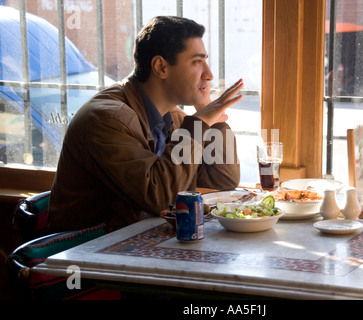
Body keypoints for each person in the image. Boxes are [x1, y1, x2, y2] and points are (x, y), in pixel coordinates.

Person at [48, 16, 243, 232]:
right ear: (160, 67)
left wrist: (211, 119)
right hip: (88, 252)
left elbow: (222, 180)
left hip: (138, 243)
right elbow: (160, 197)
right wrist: (200, 122)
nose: (209, 74)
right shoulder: (106, 120)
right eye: (197, 62)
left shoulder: (174, 118)